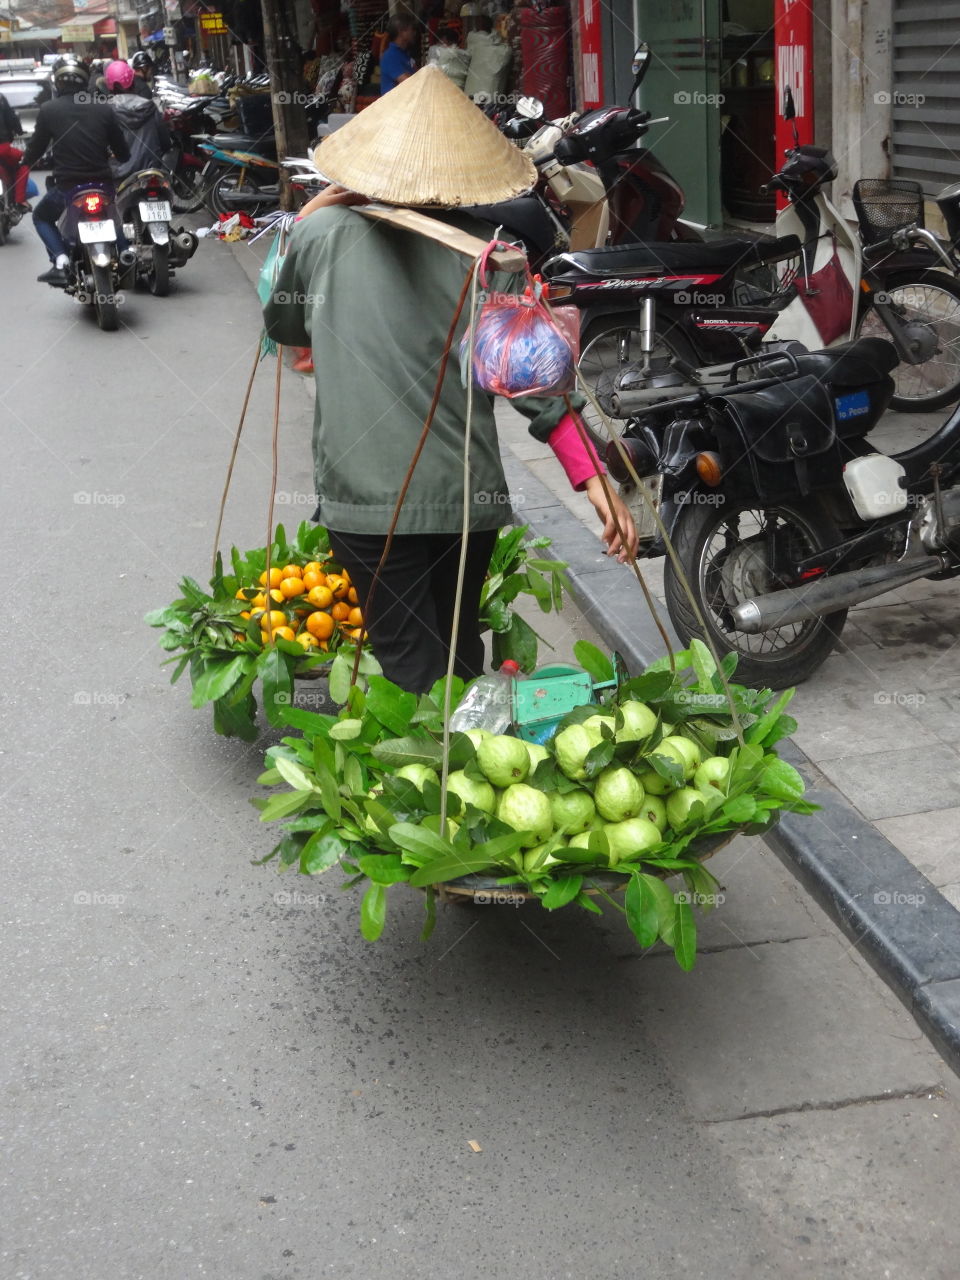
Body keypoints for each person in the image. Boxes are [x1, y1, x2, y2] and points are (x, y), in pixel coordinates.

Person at [262, 67, 638, 694]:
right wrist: (595, 481)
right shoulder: (488, 254)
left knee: (409, 668)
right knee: (458, 654)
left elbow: (286, 325)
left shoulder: (321, 236)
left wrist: (310, 214)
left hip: (367, 501)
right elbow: (540, 385)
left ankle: (428, 778)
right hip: (467, 502)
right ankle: (466, 762)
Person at [22, 56, 130, 287]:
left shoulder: (49, 109)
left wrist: (26, 161)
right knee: (112, 217)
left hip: (67, 187)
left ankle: (60, 261)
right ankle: (125, 253)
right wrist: (122, 157)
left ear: (58, 82)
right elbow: (122, 150)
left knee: (41, 216)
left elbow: (36, 148)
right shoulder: (103, 108)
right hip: (102, 183)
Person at [104, 59, 171, 179]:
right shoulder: (150, 106)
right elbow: (165, 142)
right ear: (132, 81)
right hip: (151, 171)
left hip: (119, 174)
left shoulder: (106, 110)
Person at [0, 92, 30, 217]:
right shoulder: (0, 98)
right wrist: (19, 131)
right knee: (24, 164)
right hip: (3, 147)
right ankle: (20, 200)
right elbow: (12, 118)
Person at [379, 16, 418, 95]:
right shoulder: (390, 56)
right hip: (396, 105)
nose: (414, 33)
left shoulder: (404, 54)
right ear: (401, 32)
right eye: (412, 29)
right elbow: (408, 82)